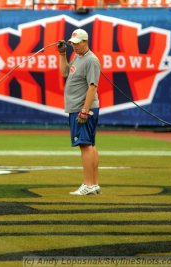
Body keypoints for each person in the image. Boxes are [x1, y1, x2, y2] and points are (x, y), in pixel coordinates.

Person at [57, 29, 101, 195]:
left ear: (85, 42)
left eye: (77, 43)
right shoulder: (79, 57)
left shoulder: (91, 60)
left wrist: (85, 110)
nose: (74, 46)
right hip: (79, 108)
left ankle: (88, 184)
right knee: (90, 145)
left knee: (85, 146)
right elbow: (65, 72)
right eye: (72, 43)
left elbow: (92, 87)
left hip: (82, 109)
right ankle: (94, 184)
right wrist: (62, 54)